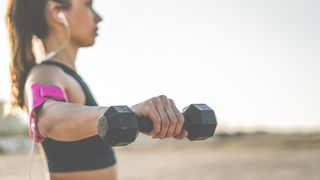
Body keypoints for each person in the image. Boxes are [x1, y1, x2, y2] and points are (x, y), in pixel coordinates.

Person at [6, 0, 188, 179]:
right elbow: (47, 118)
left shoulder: (67, 76)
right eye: (88, 5)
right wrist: (125, 113)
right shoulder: (45, 73)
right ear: (57, 13)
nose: (99, 17)